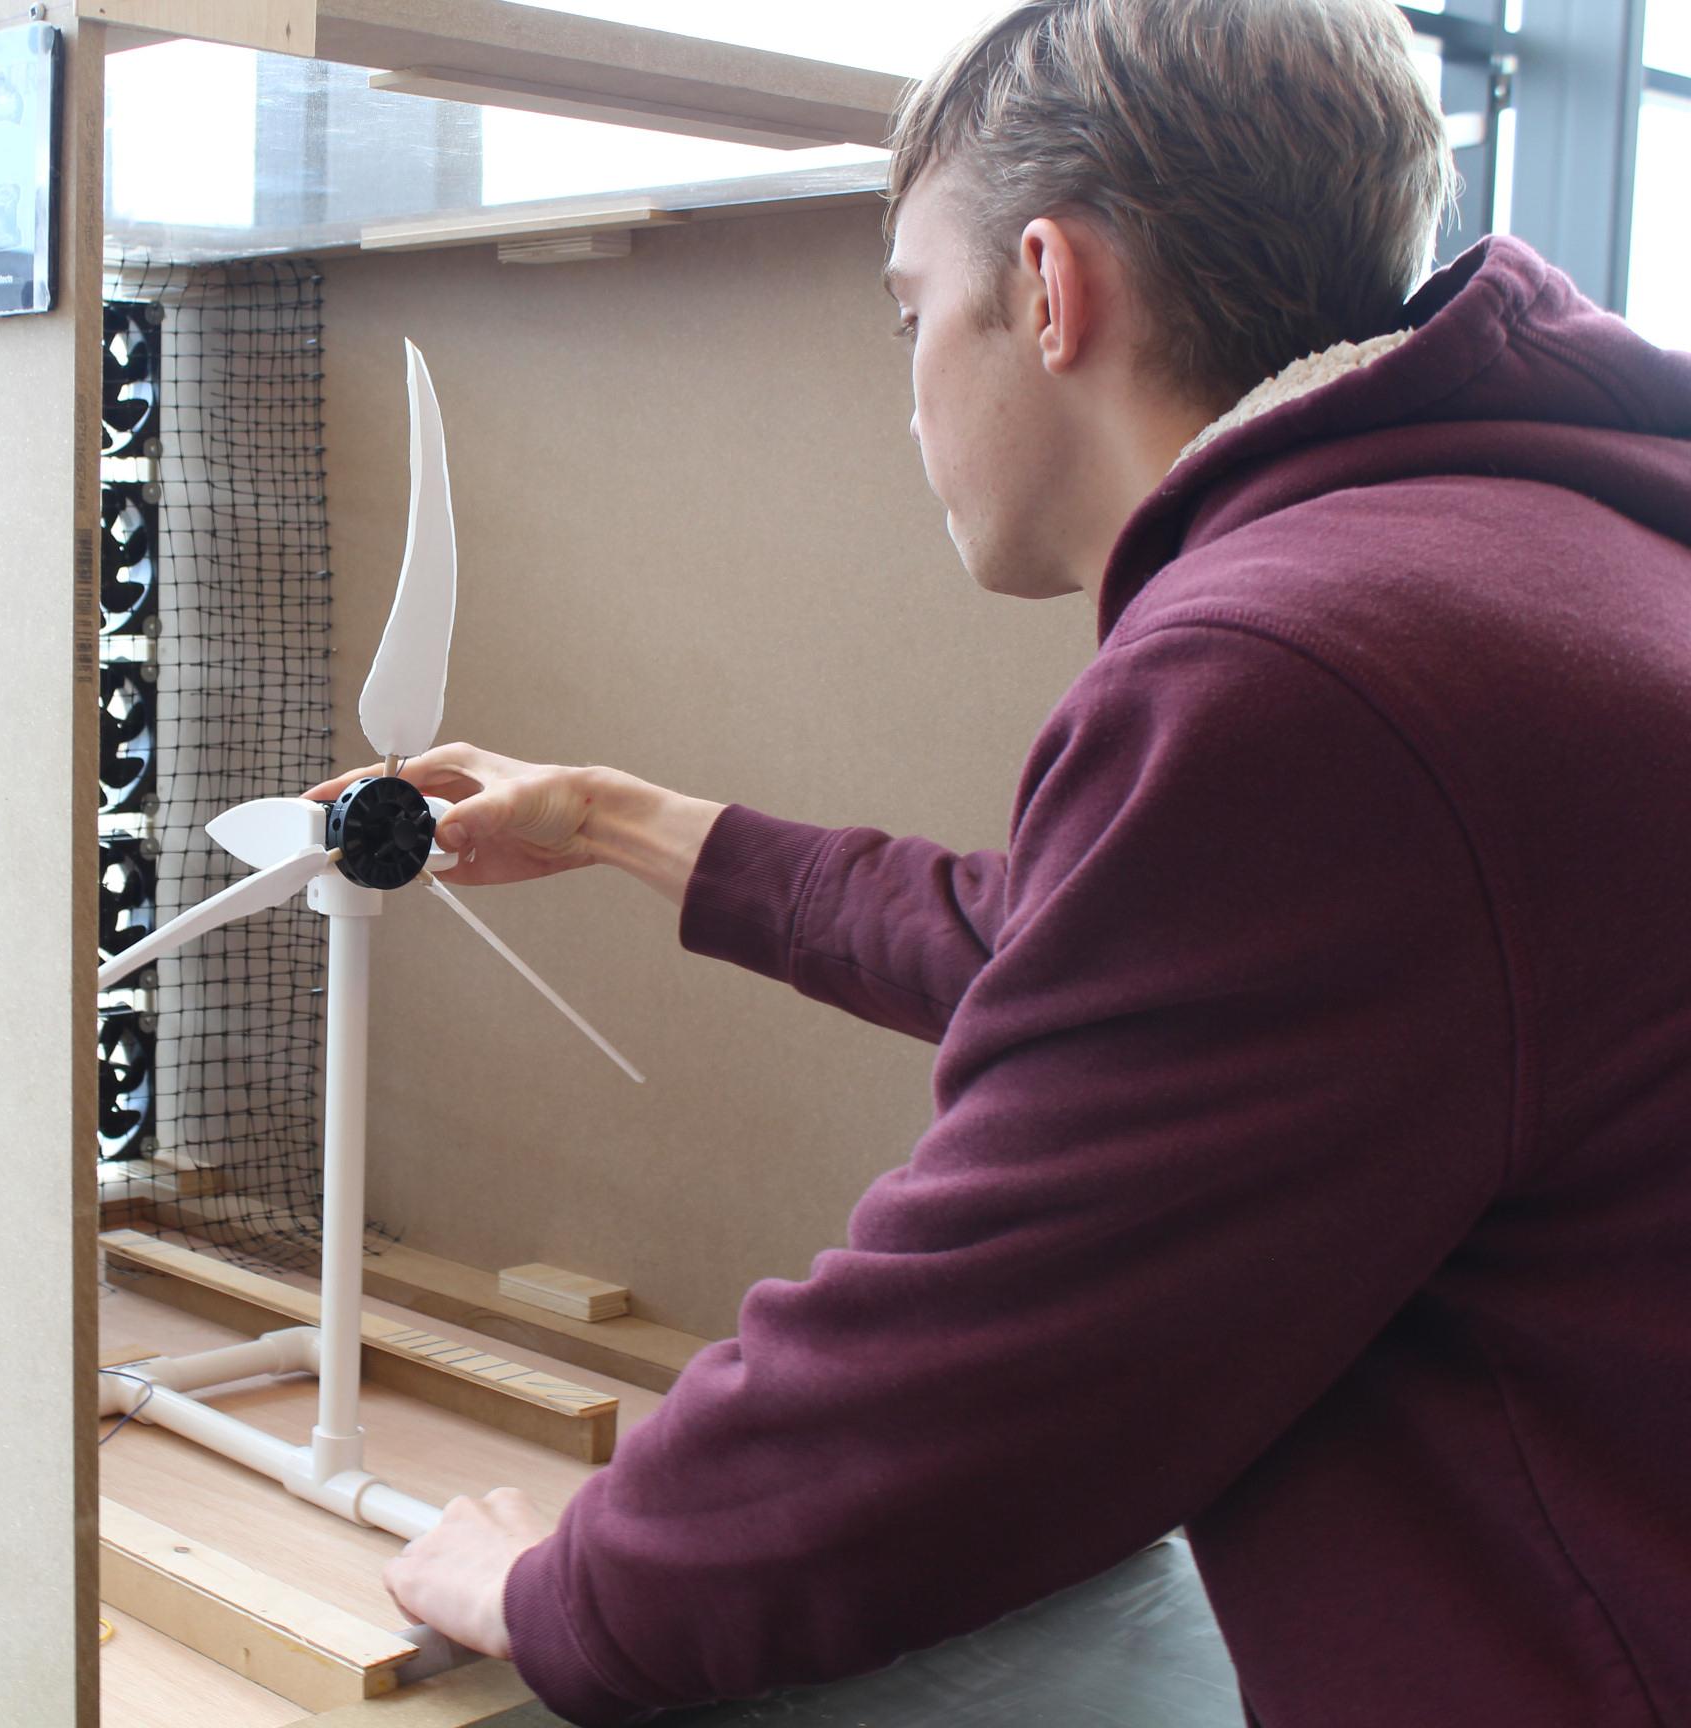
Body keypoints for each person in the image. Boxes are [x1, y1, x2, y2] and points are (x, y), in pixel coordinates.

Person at [308, 0, 1691, 1722]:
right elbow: (1099, 960)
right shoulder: (1525, 557)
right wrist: (610, 822)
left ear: (1047, 287)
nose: (908, 393)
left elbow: (958, 1376)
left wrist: (565, 1585)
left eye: (909, 308)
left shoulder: (1305, 668)